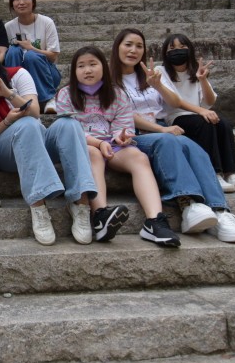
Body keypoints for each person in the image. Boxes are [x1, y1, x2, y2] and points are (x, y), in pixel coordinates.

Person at [0, 37, 120, 245]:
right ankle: (38, 206)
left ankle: (80, 203)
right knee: (27, 124)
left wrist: (8, 93)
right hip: (4, 150)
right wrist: (8, 121)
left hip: (36, 137)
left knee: (69, 124)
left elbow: (36, 112)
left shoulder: (18, 74)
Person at [112, 28, 235, 245]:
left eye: (139, 46)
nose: (133, 50)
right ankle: (189, 205)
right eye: (128, 44)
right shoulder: (110, 79)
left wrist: (157, 85)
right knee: (168, 141)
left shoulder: (149, 74)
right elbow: (125, 114)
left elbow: (174, 102)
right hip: (132, 135)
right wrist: (162, 130)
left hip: (160, 129)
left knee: (194, 147)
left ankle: (221, 212)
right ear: (117, 47)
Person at [53, 46, 176, 245]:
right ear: (74, 71)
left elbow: (123, 125)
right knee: (93, 154)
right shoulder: (66, 94)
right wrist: (98, 143)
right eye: (81, 66)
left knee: (139, 158)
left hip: (112, 145)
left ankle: (155, 222)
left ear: (104, 67)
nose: (87, 70)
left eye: (93, 64)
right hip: (84, 145)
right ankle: (101, 216)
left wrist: (122, 137)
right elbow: (69, 130)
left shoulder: (117, 93)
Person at [159, 32, 235, 193]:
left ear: (190, 50)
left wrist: (203, 79)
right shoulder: (161, 71)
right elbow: (175, 102)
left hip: (198, 114)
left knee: (223, 124)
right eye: (172, 48)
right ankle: (214, 174)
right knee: (204, 123)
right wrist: (201, 111)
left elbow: (209, 101)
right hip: (175, 117)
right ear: (165, 53)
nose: (177, 51)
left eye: (182, 47)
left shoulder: (195, 71)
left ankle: (231, 174)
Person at [4, 0, 63, 113]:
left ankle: (48, 99)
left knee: (31, 56)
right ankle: (14, 96)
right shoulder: (8, 27)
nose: (21, 2)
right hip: (21, 75)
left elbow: (53, 56)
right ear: (12, 4)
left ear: (33, 1)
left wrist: (32, 48)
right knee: (13, 51)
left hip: (47, 73)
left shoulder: (46, 22)